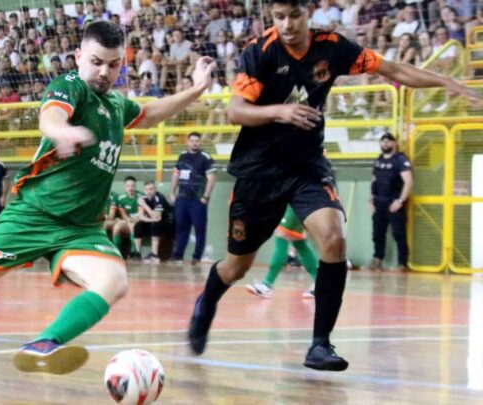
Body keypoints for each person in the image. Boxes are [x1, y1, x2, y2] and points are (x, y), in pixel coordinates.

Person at [186, 0, 477, 373]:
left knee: (334, 238)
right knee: (236, 266)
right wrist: (281, 111)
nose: (287, 24)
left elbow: (392, 68)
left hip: (308, 166)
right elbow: (236, 111)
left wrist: (444, 80)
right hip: (259, 171)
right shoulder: (259, 52)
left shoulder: (334, 46)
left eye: (294, 15)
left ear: (308, 13)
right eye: (279, 17)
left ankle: (320, 344)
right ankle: (206, 303)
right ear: (271, 18)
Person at [0, 20, 215, 375]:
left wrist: (198, 88)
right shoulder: (70, 86)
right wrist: (63, 132)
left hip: (81, 228)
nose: (103, 72)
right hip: (34, 214)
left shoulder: (116, 105)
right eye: (96, 62)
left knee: (114, 281)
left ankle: (43, 344)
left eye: (112, 64)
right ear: (79, 56)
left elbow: (152, 112)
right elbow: (50, 117)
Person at [246, 205, 318, 298]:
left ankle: (267, 284)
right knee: (299, 242)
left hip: (296, 203)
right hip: (300, 202)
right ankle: (320, 283)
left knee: (282, 235)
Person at [367, 133, 412, 272]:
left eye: (388, 141)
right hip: (379, 202)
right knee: (377, 234)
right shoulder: (378, 160)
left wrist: (400, 201)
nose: (385, 144)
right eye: (383, 141)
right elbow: (374, 181)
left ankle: (402, 264)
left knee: (399, 234)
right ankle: (377, 261)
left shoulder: (400, 160)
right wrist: (371, 199)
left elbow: (408, 182)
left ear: (394, 143)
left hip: (394, 203)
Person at [169, 132, 216, 264]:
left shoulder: (205, 158)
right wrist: (172, 192)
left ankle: (197, 256)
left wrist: (205, 196)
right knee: (181, 227)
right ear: (187, 142)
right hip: (182, 198)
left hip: (197, 200)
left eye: (197, 140)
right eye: (192, 140)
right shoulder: (182, 156)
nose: (194, 143)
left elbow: (211, 179)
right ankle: (178, 255)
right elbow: (175, 174)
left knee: (199, 228)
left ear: (200, 142)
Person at [134, 181, 174, 263]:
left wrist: (144, 205)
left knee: (155, 225)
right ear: (144, 190)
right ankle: (138, 253)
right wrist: (150, 220)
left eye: (151, 189)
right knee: (138, 225)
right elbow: (141, 216)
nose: (149, 191)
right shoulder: (143, 198)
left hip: (169, 222)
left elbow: (157, 217)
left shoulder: (159, 198)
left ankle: (154, 255)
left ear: (155, 189)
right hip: (154, 221)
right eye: (147, 189)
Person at [113, 176, 143, 260]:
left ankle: (134, 253)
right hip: (127, 221)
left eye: (132, 186)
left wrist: (136, 220)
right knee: (116, 227)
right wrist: (128, 220)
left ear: (135, 186)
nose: (130, 188)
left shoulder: (141, 196)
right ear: (125, 187)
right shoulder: (121, 198)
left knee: (133, 226)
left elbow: (142, 213)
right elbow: (123, 215)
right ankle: (117, 253)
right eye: (128, 186)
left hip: (140, 221)